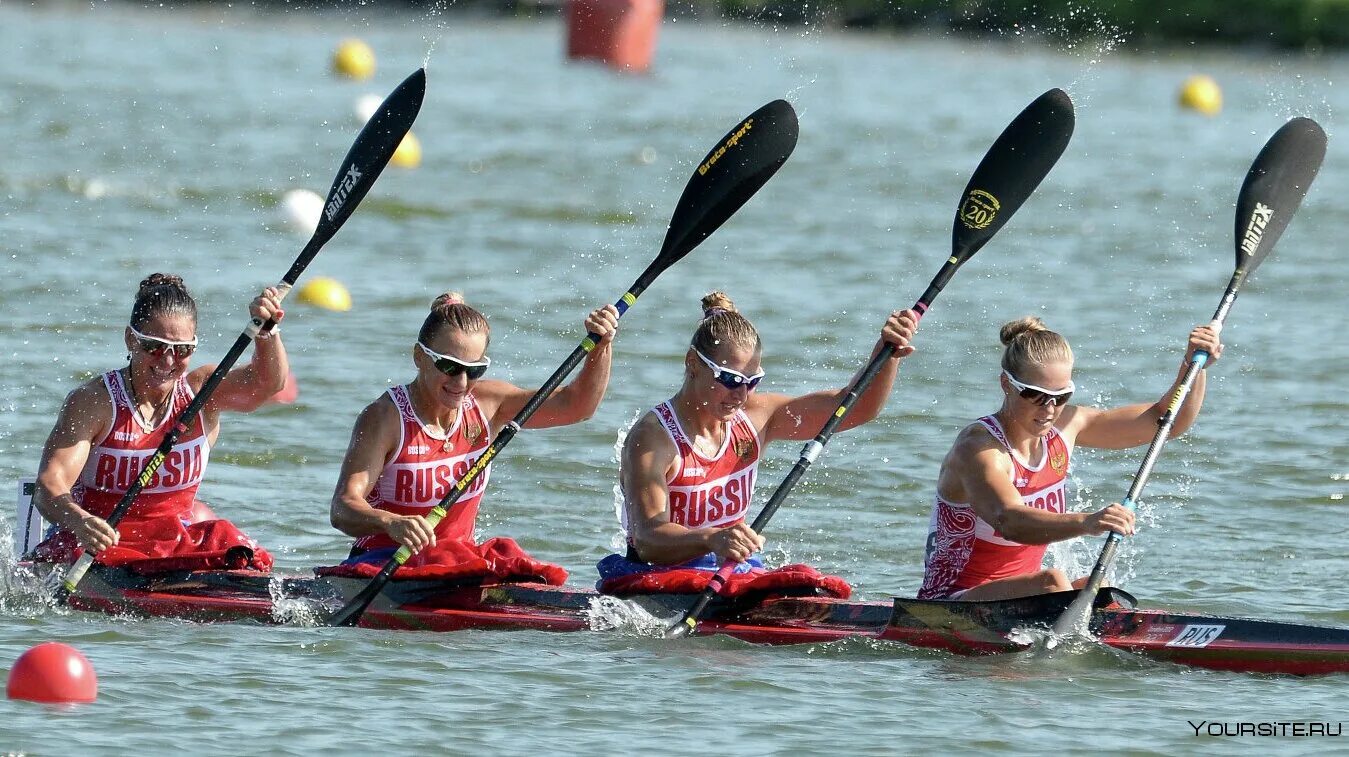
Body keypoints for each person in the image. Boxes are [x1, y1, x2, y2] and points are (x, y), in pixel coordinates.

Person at [610, 291, 918, 579]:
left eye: (752, 381)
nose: (740, 395)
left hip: (728, 574)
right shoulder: (653, 439)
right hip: (659, 578)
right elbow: (648, 538)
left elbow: (855, 408)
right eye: (729, 379)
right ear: (692, 363)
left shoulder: (756, 417)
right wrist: (712, 538)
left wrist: (887, 353)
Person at [918, 316, 1223, 601]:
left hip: (1023, 598)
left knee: (1097, 586)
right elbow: (1008, 519)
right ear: (1007, 384)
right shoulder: (979, 448)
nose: (1049, 409)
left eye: (1061, 397)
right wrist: (1087, 522)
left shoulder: (1065, 427)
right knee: (1052, 581)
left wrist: (1194, 366)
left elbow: (1167, 420)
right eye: (1035, 395)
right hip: (950, 601)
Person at [329, 292, 618, 570]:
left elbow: (577, 407)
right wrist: (389, 522)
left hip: (456, 565)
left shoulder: (488, 404)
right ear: (419, 356)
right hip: (383, 564)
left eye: (474, 369)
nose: (462, 382)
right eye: (449, 366)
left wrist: (602, 346)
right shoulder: (385, 418)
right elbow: (343, 508)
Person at [31, 273, 286, 572]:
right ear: (131, 338)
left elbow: (267, 385)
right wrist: (80, 521)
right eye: (154, 346)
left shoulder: (202, 391)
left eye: (181, 350)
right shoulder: (94, 402)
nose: (167, 362)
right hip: (98, 545)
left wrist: (268, 333)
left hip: (171, 543)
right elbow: (48, 487)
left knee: (231, 541)